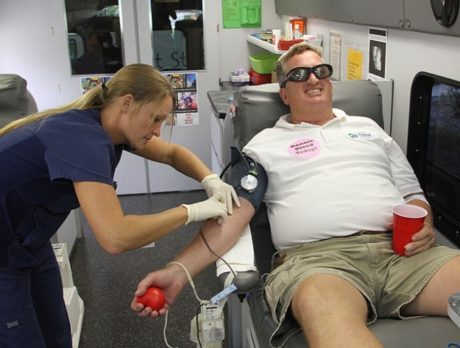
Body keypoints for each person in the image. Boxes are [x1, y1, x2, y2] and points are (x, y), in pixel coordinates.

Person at [131, 44, 460, 347]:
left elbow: (413, 195)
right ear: (284, 93)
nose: (313, 78)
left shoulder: (371, 130)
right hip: (320, 265)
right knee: (327, 311)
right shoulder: (263, 146)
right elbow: (234, 214)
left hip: (402, 256)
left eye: (321, 71)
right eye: (299, 74)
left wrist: (423, 224)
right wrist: (177, 271)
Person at [0, 63, 239, 348]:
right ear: (127, 102)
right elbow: (116, 237)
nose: (157, 131)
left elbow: (172, 153)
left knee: (57, 335)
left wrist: (211, 179)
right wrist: (193, 211)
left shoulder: (108, 126)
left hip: (28, 244)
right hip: (4, 252)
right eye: (155, 119)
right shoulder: (81, 138)